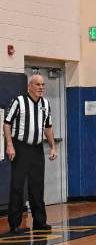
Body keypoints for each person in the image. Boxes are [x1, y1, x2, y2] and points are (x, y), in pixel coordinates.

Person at [3, 74, 58, 233]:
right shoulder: (18, 102)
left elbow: (48, 127)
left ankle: (40, 222)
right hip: (20, 148)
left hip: (37, 148)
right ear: (30, 86)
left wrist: (53, 146)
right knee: (17, 186)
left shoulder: (46, 104)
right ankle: (14, 224)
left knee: (37, 186)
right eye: (38, 84)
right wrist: (9, 144)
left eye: (43, 85)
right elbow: (7, 124)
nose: (41, 87)